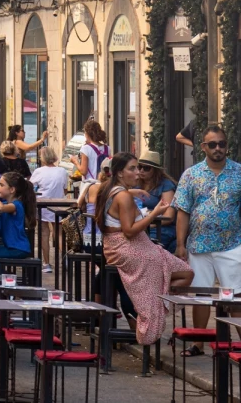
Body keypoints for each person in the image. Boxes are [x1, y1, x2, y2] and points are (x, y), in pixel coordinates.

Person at [99, 152, 193, 345]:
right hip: (127, 247)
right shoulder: (122, 196)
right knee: (173, 269)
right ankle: (149, 313)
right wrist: (155, 213)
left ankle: (154, 302)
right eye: (132, 168)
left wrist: (132, 193)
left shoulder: (109, 190)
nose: (138, 173)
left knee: (186, 273)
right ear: (119, 173)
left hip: (118, 245)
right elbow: (130, 231)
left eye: (139, 168)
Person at [174, 125, 241, 351]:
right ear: (203, 147)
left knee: (235, 295)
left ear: (227, 146)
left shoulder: (239, 172)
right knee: (201, 294)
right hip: (199, 245)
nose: (218, 148)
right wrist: (181, 244)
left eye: (221, 144)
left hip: (231, 244)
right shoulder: (191, 175)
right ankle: (198, 343)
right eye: (212, 144)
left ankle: (240, 345)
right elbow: (183, 211)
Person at [30, 146, 69, 274]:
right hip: (59, 204)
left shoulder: (39, 171)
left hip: (43, 204)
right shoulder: (62, 171)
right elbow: (64, 189)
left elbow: (31, 187)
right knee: (59, 233)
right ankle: (65, 258)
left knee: (44, 234)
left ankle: (46, 263)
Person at [0, 172, 36, 273]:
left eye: (1, 185)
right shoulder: (8, 203)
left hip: (18, 248)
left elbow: (1, 208)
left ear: (12, 190)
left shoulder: (16, 205)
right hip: (12, 247)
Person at [137, 151, 177, 252]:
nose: (141, 170)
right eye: (139, 166)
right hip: (138, 226)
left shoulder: (166, 185)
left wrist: (148, 224)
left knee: (145, 248)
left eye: (146, 168)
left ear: (155, 170)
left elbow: (169, 217)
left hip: (159, 227)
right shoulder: (135, 183)